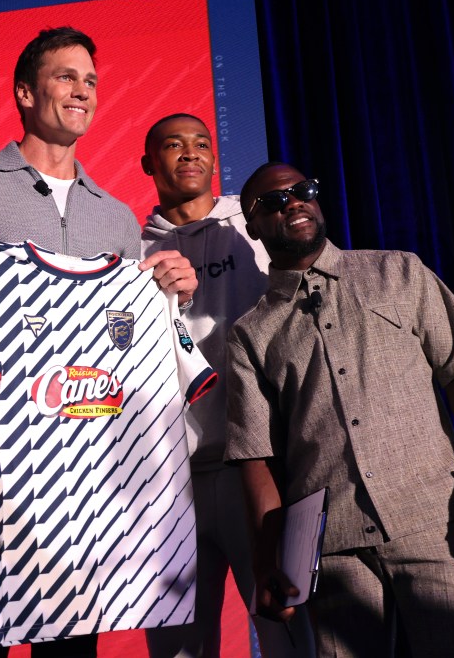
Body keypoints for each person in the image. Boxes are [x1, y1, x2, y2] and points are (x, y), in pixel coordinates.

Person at [0, 27, 198, 657]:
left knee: (70, 637)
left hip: (86, 448)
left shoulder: (116, 215)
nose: (82, 91)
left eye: (90, 81)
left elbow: (125, 335)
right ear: (25, 92)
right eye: (66, 77)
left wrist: (170, 291)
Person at [225, 161, 454, 657]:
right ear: (251, 226)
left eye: (303, 190)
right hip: (332, 548)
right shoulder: (250, 333)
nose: (293, 202)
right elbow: (256, 456)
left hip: (434, 523)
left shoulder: (398, 271)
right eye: (273, 202)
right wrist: (265, 564)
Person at [140, 116, 314, 658]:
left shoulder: (256, 218)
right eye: (173, 145)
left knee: (287, 631)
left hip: (255, 469)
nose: (190, 154)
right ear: (149, 164)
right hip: (167, 483)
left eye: (201, 144)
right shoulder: (129, 246)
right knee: (178, 649)